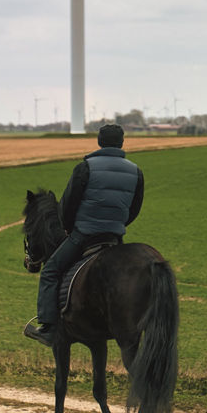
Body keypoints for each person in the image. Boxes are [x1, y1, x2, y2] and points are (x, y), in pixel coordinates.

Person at [25, 124, 145, 346]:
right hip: (114, 236)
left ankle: (48, 328)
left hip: (85, 234)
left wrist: (69, 228)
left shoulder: (85, 168)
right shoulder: (136, 171)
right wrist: (118, 224)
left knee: (50, 271)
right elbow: (135, 208)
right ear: (122, 142)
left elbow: (68, 205)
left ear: (99, 142)